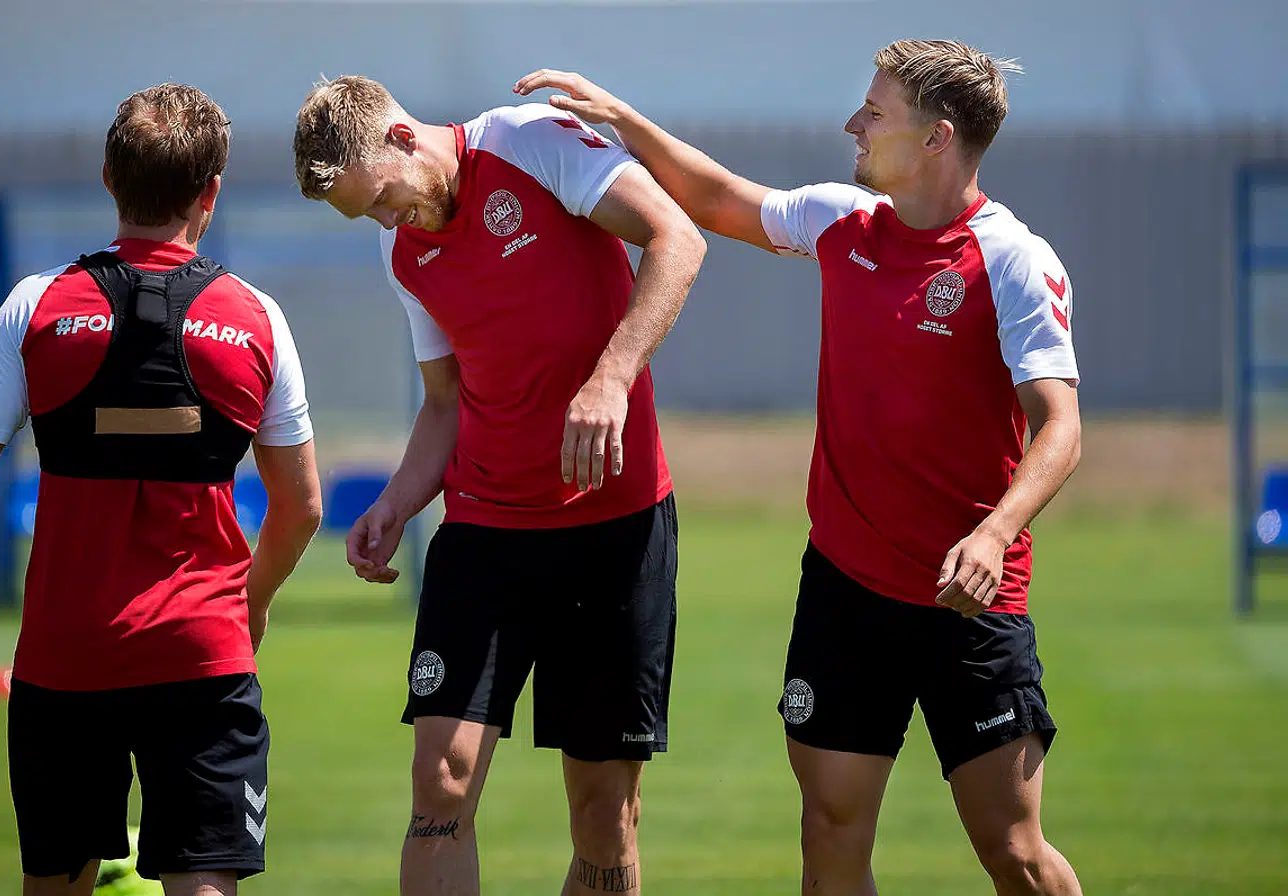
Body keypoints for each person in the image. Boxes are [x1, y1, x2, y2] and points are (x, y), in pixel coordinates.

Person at [516, 38, 1084, 896]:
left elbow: (1063, 426)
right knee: (831, 829)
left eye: (875, 112)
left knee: (1013, 850)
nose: (852, 123)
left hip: (966, 601)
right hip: (846, 593)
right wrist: (623, 120)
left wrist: (996, 532)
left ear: (936, 137)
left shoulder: (1010, 259)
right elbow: (714, 199)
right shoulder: (841, 221)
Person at [0, 84, 323, 896]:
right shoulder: (257, 318)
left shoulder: (36, 305)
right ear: (212, 191)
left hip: (64, 660)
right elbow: (300, 503)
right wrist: (251, 600)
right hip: (203, 654)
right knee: (204, 885)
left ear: (107, 178)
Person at [293, 75, 704, 895]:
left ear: (404, 138)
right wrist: (396, 502)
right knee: (439, 785)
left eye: (383, 200)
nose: (386, 222)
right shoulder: (398, 245)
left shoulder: (529, 141)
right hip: (485, 531)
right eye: (367, 216)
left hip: (612, 526)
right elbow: (444, 400)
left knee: (603, 815)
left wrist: (612, 375)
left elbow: (678, 238)